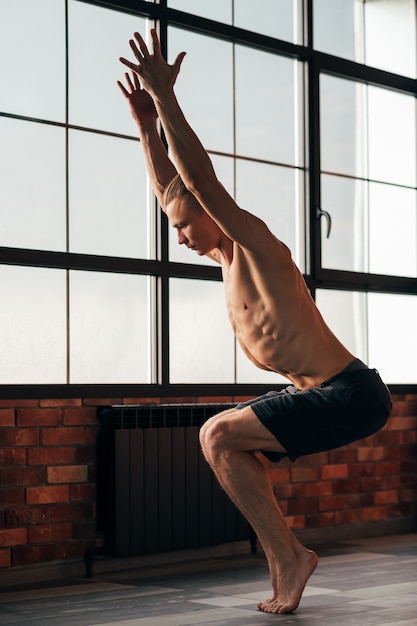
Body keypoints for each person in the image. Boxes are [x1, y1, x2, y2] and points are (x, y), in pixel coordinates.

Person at [117, 29, 393, 615]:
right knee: (229, 447)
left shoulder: (260, 248)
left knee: (216, 433)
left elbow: (197, 182)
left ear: (211, 215)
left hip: (350, 393)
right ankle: (283, 558)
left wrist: (166, 98)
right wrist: (146, 126)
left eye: (183, 225)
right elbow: (174, 188)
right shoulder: (225, 259)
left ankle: (290, 557)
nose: (178, 234)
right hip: (329, 392)